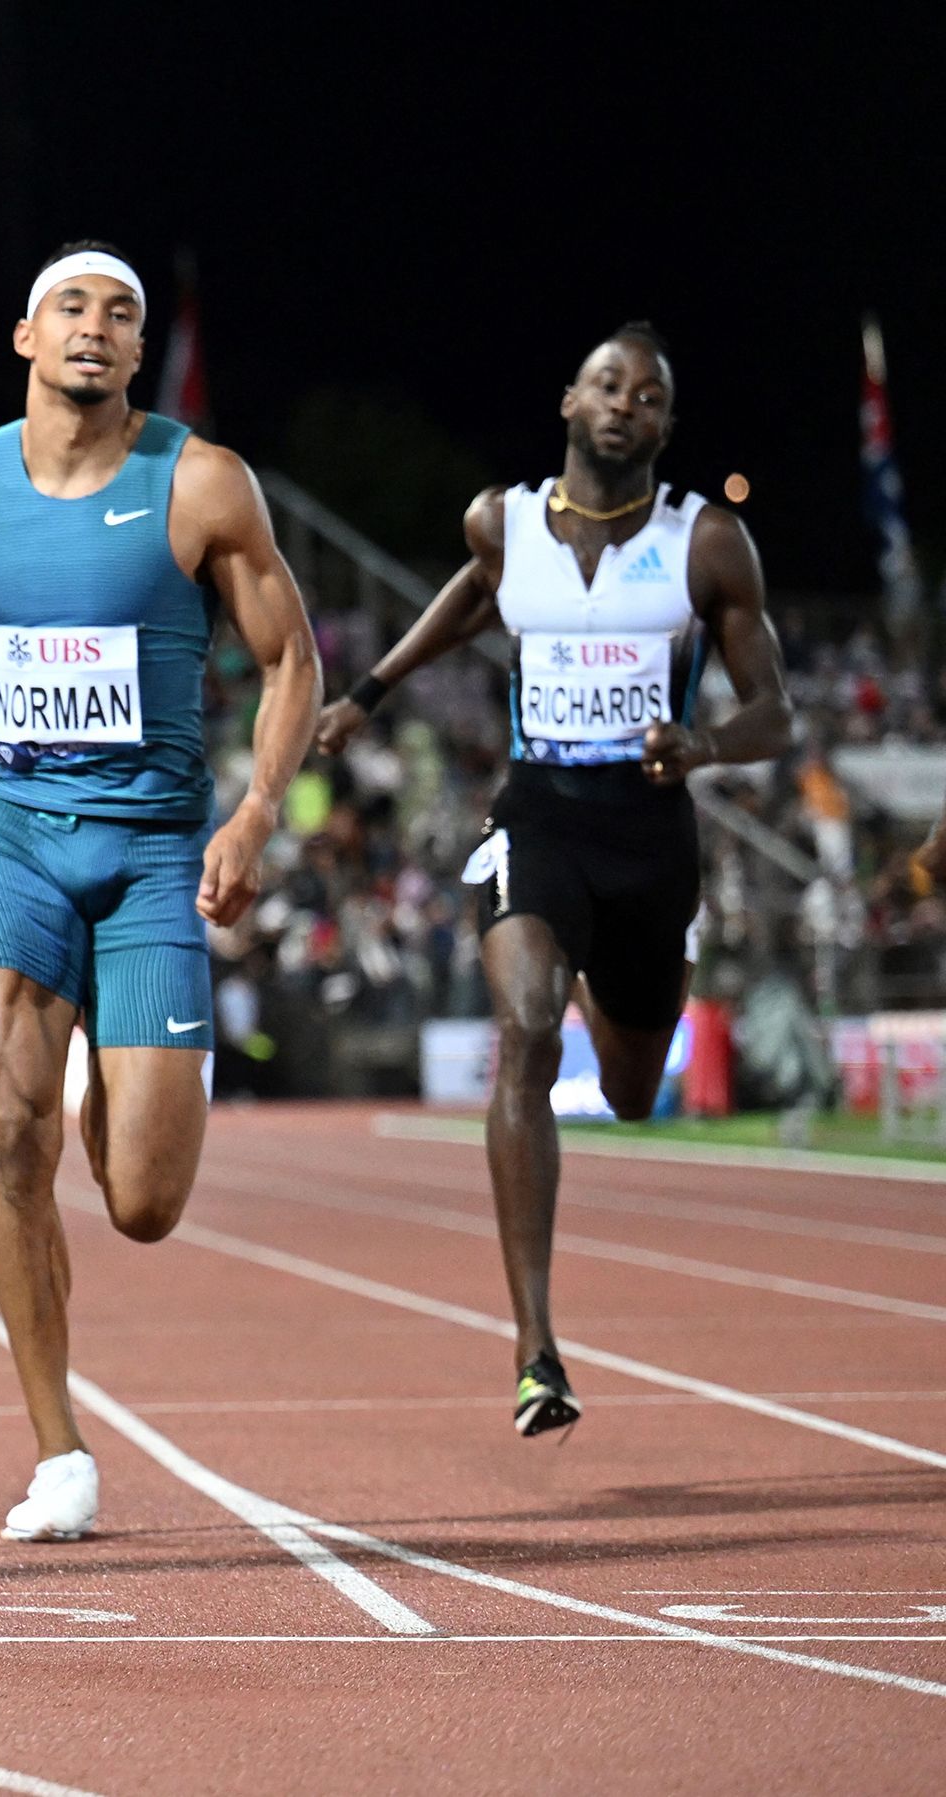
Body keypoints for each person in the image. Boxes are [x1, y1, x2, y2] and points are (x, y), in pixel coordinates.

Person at [0, 244, 320, 1540]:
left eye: (123, 315)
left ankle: (119, 1046)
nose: (97, 328)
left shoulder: (199, 483)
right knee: (8, 1128)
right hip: (17, 838)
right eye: (74, 308)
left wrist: (258, 810)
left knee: (141, 1204)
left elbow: (290, 655)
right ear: (26, 335)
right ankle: (60, 1451)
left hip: (155, 850)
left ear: (139, 353)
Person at [315, 323, 790, 1435]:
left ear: (665, 426)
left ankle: (611, 969)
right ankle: (535, 1348)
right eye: (607, 385)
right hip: (538, 814)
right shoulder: (504, 520)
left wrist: (704, 746)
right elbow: (474, 595)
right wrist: (369, 694)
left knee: (627, 1089)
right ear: (567, 403)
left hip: (648, 839)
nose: (626, 404)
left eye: (649, 396)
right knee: (525, 1028)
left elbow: (775, 708)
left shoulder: (705, 542)